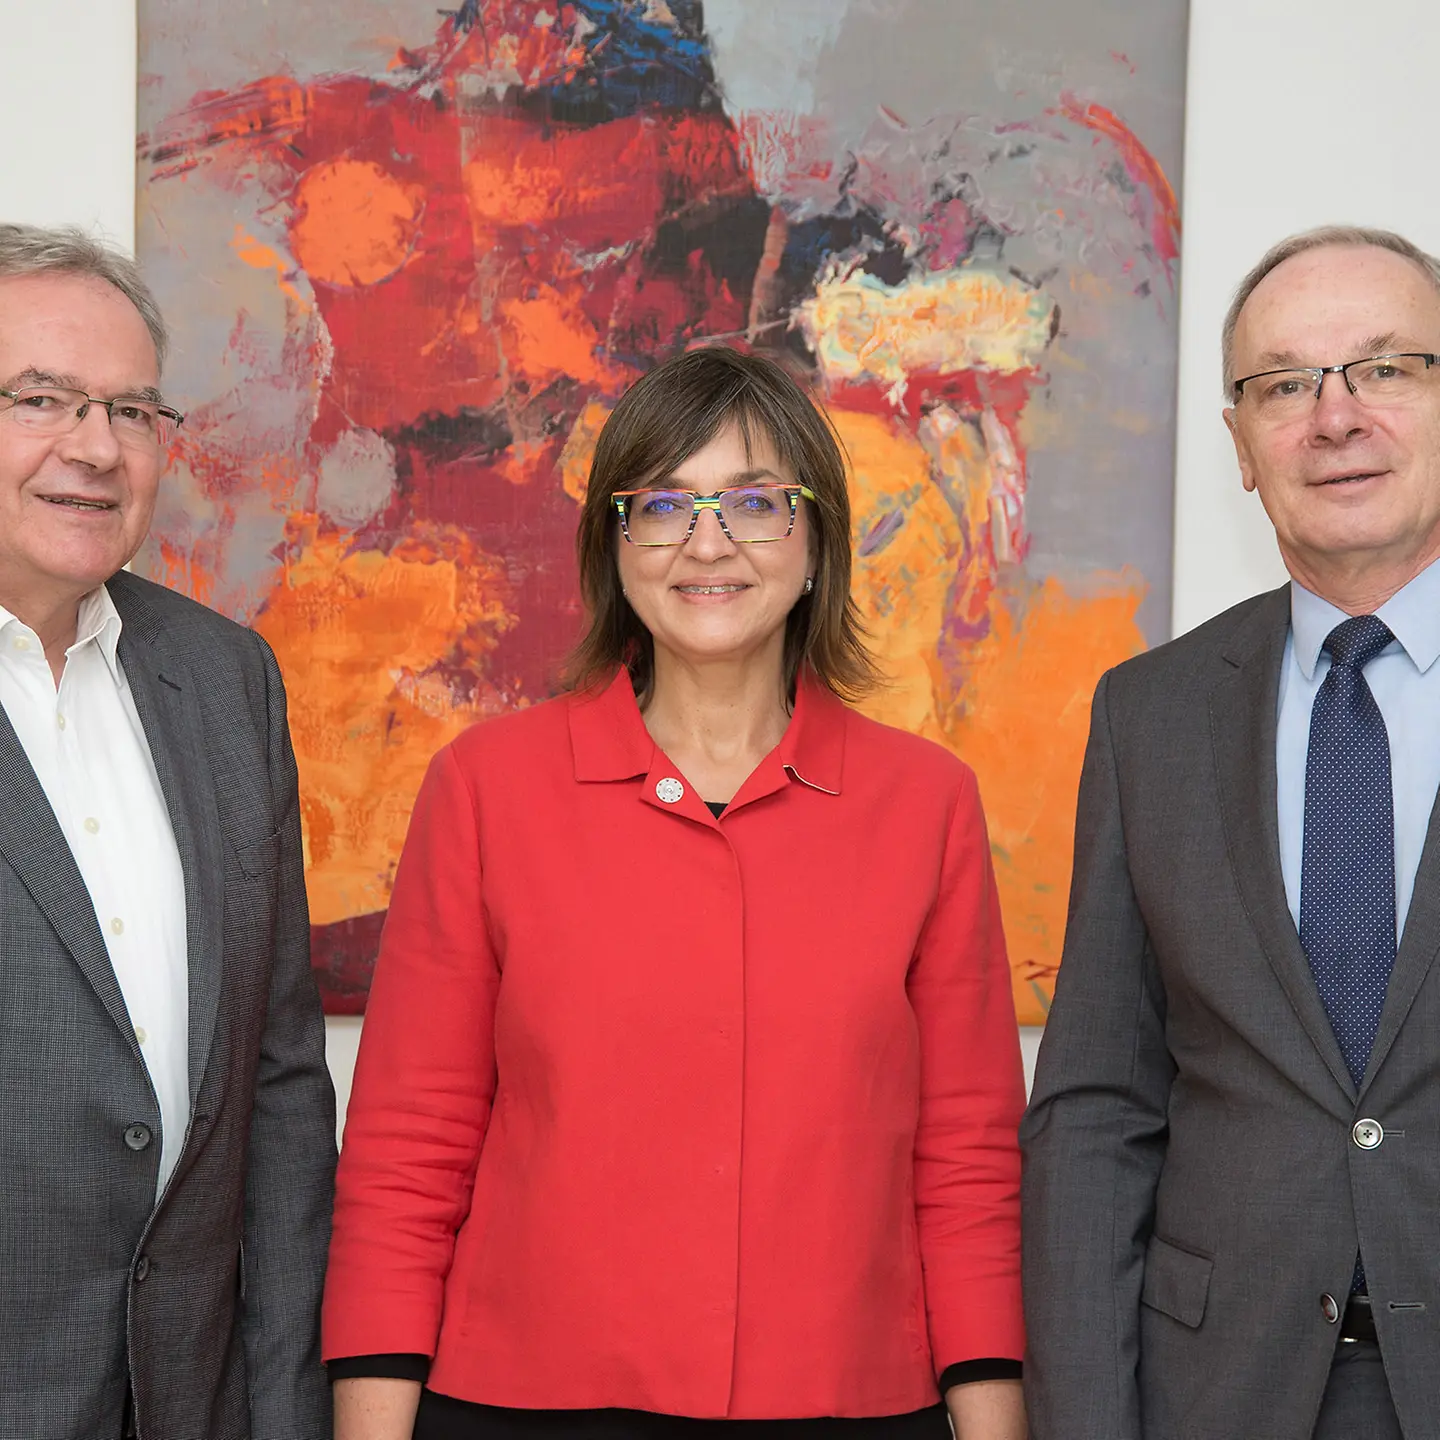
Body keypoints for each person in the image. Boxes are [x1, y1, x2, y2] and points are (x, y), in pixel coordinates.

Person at [322, 346, 1027, 1440]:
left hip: (849, 1401)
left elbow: (967, 1161)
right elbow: (408, 1149)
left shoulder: (927, 804)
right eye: (664, 505)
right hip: (526, 1403)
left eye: (755, 502)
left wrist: (992, 1421)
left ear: (815, 539)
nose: (709, 542)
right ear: (617, 543)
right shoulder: (486, 789)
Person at [1021, 224, 1440, 1440]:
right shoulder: (1149, 714)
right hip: (1222, 1393)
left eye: (1387, 367)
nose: (1335, 416)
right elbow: (1097, 1108)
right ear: (1243, 450)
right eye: (1284, 384)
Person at [0, 223, 336, 1439]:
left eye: (134, 412)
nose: (95, 448)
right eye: (43, 399)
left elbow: (281, 1082)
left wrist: (290, 1405)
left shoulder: (225, 677)